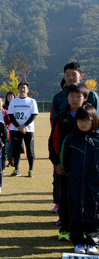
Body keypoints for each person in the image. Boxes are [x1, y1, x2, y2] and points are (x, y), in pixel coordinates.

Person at [48, 84, 88, 241]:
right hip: (65, 166)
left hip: (85, 165)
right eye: (72, 96)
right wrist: (57, 162)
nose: (75, 99)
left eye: (78, 96)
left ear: (85, 98)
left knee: (86, 198)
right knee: (65, 197)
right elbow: (54, 141)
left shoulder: (90, 115)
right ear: (67, 97)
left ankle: (86, 229)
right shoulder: (61, 117)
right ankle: (65, 229)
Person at [61, 105, 99, 255]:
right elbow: (64, 161)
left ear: (93, 120)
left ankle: (92, 241)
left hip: (95, 184)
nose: (82, 123)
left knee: (94, 210)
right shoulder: (71, 138)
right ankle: (77, 240)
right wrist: (71, 177)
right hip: (75, 182)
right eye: (79, 120)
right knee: (75, 210)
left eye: (86, 120)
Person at [8, 82, 39, 177]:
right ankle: (16, 169)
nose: (22, 90)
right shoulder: (13, 102)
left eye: (24, 88)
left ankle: (31, 170)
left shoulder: (32, 101)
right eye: (21, 88)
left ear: (27, 90)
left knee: (30, 150)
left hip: (28, 129)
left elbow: (34, 115)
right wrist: (18, 126)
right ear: (18, 89)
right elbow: (11, 115)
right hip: (16, 129)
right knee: (16, 150)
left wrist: (24, 126)